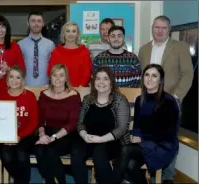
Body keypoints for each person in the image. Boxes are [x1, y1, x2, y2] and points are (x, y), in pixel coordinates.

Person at [138, 16, 193, 183]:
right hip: (148, 102)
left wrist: (176, 96)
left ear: (169, 30)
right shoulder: (144, 49)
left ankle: (167, 176)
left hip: (170, 102)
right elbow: (142, 76)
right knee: (147, 136)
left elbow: (187, 74)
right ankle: (149, 171)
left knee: (168, 139)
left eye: (164, 28)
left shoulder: (180, 47)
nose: (160, 30)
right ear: (152, 28)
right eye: (157, 27)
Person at [110, 64, 180, 184]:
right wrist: (136, 137)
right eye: (147, 75)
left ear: (160, 80)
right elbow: (137, 125)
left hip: (163, 146)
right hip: (144, 144)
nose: (149, 79)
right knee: (131, 165)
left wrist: (142, 139)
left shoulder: (168, 101)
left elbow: (168, 133)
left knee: (125, 151)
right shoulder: (139, 100)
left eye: (154, 76)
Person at [71, 66, 131, 184]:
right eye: (98, 79)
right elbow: (80, 123)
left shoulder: (119, 100)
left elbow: (122, 128)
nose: (101, 82)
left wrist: (101, 139)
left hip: (111, 140)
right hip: (89, 138)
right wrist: (84, 135)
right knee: (76, 152)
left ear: (111, 82)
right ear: (94, 82)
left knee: (99, 154)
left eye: (105, 79)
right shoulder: (88, 99)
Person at [35, 64, 81, 184]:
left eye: (61, 75)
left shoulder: (73, 95)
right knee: (39, 150)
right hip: (48, 132)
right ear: (50, 77)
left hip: (67, 135)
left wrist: (53, 138)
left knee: (50, 151)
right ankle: (50, 181)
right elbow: (40, 119)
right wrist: (42, 134)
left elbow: (72, 123)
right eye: (54, 75)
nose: (58, 79)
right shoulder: (44, 95)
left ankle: (62, 181)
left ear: (66, 78)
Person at [0, 66, 38, 184]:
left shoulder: (30, 96)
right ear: (7, 79)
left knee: (21, 153)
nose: (14, 80)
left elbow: (34, 122)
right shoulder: (1, 96)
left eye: (18, 77)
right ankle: (21, 180)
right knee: (6, 155)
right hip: (6, 136)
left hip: (26, 135)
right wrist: (6, 137)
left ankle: (21, 181)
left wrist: (19, 137)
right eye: (11, 77)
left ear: (23, 81)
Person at [47, 22, 91, 87]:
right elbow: (51, 72)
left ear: (77, 34)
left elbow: (87, 74)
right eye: (67, 31)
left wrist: (79, 89)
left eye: (73, 31)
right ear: (64, 34)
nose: (70, 34)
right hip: (60, 91)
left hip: (80, 91)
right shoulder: (56, 52)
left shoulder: (84, 52)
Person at [18, 12, 55, 86]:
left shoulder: (50, 45)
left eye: (39, 21)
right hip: (25, 87)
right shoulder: (20, 45)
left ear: (43, 23)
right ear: (28, 23)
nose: (36, 24)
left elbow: (54, 68)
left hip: (46, 87)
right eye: (33, 21)